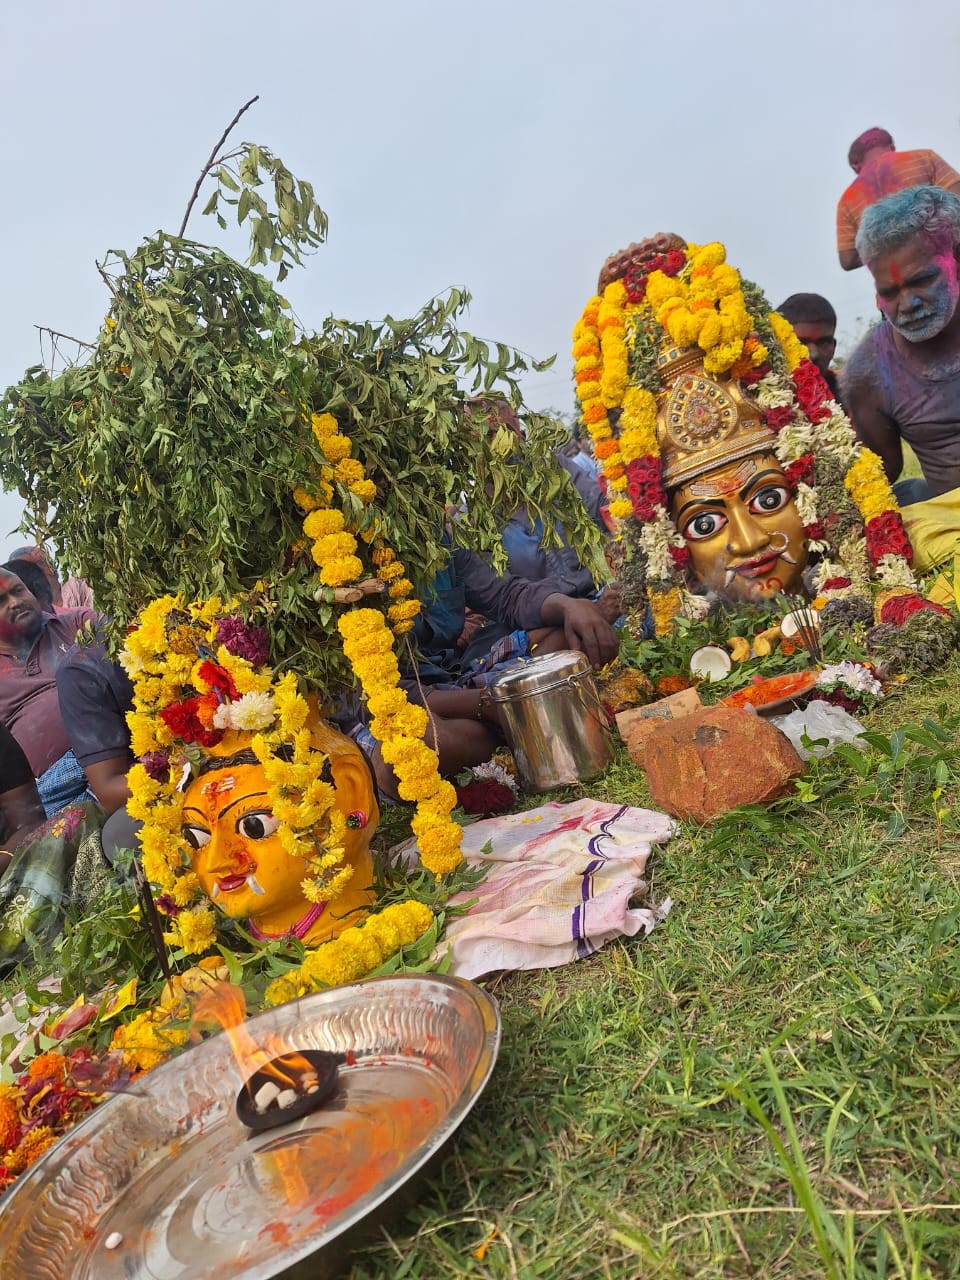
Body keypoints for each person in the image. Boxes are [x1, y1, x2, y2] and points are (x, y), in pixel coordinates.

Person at [842, 185, 960, 508]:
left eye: (922, 280)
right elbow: (881, 473)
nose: (907, 304)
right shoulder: (869, 372)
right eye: (890, 292)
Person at [0, 568, 99, 815]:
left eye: (18, 590)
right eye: (1, 601)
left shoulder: (78, 623)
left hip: (111, 754)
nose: (16, 602)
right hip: (48, 794)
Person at [836, 128, 960, 271]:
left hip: (900, 286)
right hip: (951, 269)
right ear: (891, 147)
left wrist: (883, 246)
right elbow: (957, 198)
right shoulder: (924, 158)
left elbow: (847, 260)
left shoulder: (847, 200)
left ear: (855, 165)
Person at [777, 294, 843, 405]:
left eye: (823, 342)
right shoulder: (748, 398)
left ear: (834, 346)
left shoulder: (853, 397)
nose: (813, 354)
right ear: (778, 346)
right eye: (800, 343)